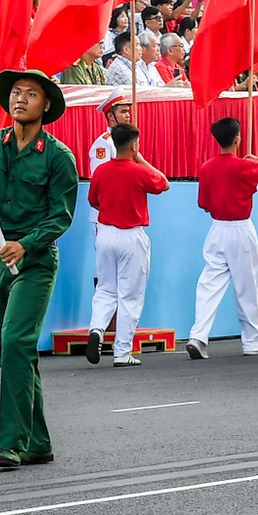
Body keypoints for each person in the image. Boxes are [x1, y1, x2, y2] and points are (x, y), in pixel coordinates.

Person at [0, 69, 79, 469]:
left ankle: (12, 443)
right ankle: (38, 440)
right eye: (16, 92)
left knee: (17, 342)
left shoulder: (58, 156)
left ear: (46, 105)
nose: (20, 99)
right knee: (9, 351)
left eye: (31, 94)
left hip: (34, 260)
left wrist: (26, 244)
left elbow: (61, 217)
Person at [86, 124, 170, 367]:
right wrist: (140, 159)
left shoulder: (101, 171)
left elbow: (93, 201)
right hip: (131, 235)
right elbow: (163, 183)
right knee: (130, 295)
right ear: (134, 145)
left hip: (105, 233)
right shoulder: (139, 171)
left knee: (105, 289)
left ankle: (97, 328)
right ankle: (122, 352)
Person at [188, 116, 258, 358]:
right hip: (241, 229)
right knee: (247, 286)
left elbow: (203, 204)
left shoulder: (206, 167)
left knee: (209, 284)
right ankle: (254, 341)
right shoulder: (247, 167)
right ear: (237, 140)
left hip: (217, 229)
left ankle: (198, 335)